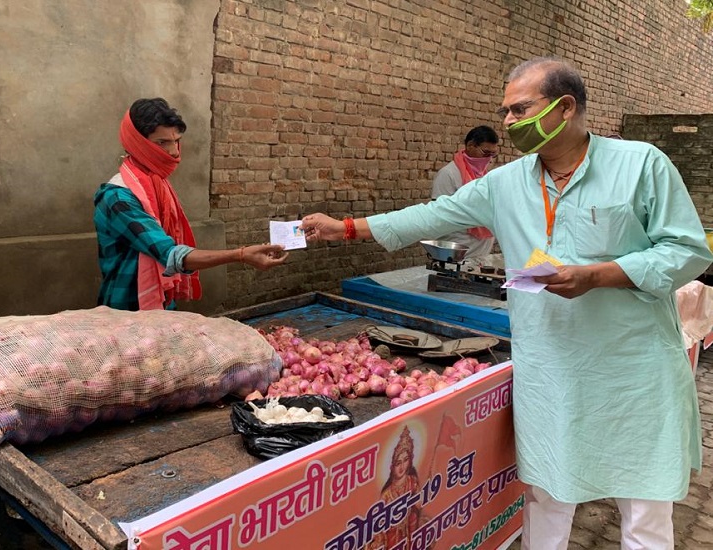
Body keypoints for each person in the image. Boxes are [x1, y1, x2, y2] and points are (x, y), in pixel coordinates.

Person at [301, 57, 713, 549]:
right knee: (545, 497)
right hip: (551, 365)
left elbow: (687, 250)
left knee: (643, 505)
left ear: (564, 108)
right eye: (506, 112)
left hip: (631, 366)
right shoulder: (505, 182)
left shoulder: (641, 164)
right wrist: (345, 227)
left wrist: (600, 275)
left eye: (520, 110)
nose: (508, 123)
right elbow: (431, 215)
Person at [94, 98, 287, 311]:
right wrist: (240, 255)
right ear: (138, 143)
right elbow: (169, 254)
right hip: (128, 308)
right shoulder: (119, 197)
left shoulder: (155, 184)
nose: (174, 152)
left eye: (176, 141)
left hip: (162, 302)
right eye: (162, 143)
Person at [431, 125, 499, 264]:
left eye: (493, 155)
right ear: (470, 146)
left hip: (482, 250)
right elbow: (439, 213)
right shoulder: (449, 174)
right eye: (486, 153)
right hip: (457, 249)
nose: (489, 159)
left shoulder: (486, 175)